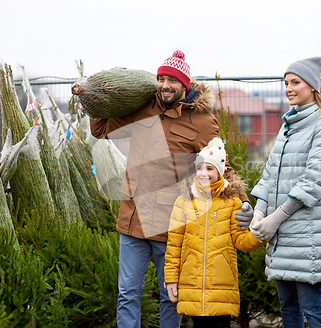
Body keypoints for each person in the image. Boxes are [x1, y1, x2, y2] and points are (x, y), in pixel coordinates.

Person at [89, 50, 253, 328]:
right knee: (128, 293)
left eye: (172, 80)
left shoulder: (201, 120)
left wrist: (243, 202)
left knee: (170, 296)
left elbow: (222, 165)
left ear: (184, 85)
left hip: (172, 223)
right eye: (161, 78)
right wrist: (95, 99)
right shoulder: (142, 107)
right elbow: (101, 129)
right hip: (133, 219)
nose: (165, 85)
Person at [249, 57, 321, 328]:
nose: (289, 88)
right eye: (286, 83)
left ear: (312, 87)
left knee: (313, 310)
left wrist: (275, 218)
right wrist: (259, 212)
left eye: (295, 82)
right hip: (281, 236)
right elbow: (269, 174)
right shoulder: (287, 126)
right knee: (287, 307)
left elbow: (313, 182)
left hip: (306, 236)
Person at [164, 137, 265, 328]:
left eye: (209, 169)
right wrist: (170, 278)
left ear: (220, 172)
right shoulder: (184, 200)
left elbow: (241, 240)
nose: (203, 173)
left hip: (222, 287)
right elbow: (174, 244)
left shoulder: (233, 201)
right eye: (200, 167)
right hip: (192, 286)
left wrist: (261, 234)